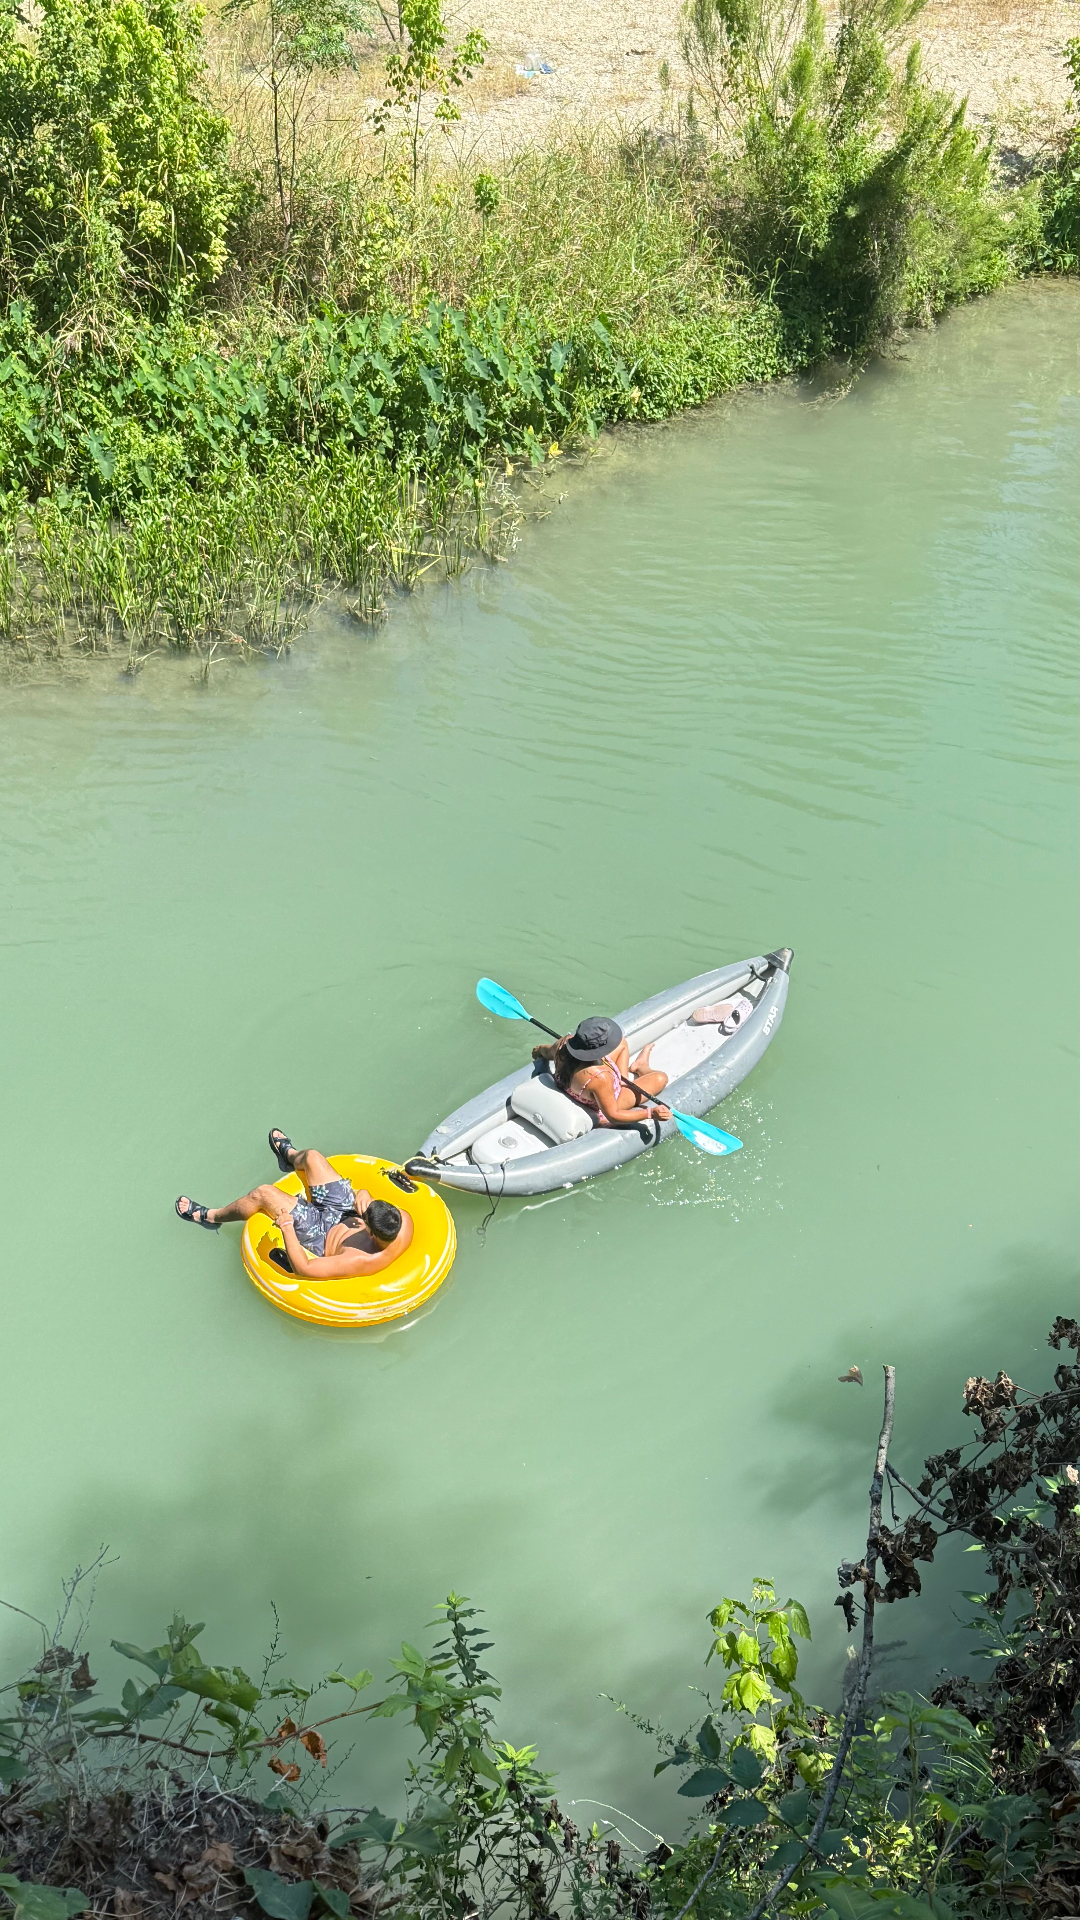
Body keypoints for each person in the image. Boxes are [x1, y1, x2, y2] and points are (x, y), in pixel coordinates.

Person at [175, 1130, 413, 1281]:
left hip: (321, 1232)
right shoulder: (401, 1219)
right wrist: (365, 1195)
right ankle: (289, 1157)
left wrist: (287, 1227)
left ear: (370, 1232)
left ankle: (211, 1217)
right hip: (344, 1210)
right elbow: (372, 1205)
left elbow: (305, 1268)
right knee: (313, 1157)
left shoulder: (361, 1259)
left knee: (262, 1194)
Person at [532, 1016, 671, 1128]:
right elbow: (613, 1115)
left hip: (572, 1085)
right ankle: (641, 1068)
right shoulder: (600, 1078)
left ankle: (626, 1077)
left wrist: (537, 1051)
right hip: (601, 1102)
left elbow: (544, 1051)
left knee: (621, 1043)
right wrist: (650, 1113)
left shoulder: (562, 1044)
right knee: (660, 1078)